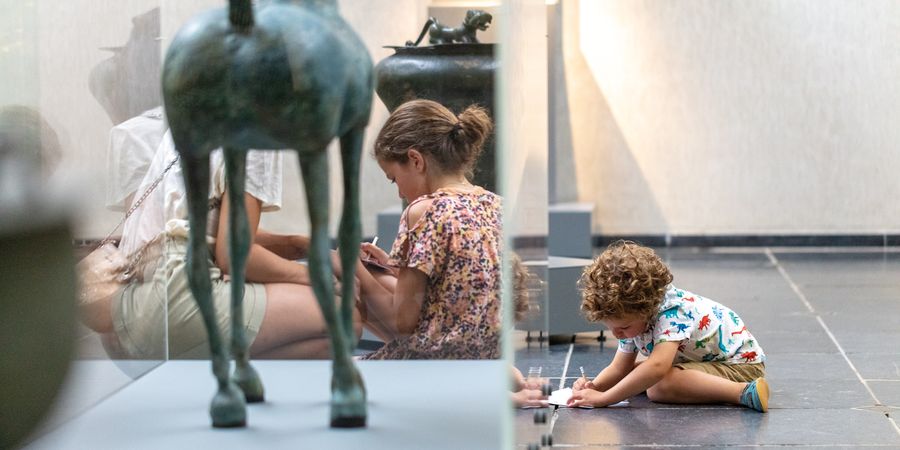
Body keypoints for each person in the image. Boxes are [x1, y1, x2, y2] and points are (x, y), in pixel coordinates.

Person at [111, 130, 359, 359]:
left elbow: (202, 229)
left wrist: (299, 246)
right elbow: (232, 256)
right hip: (181, 293)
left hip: (134, 309)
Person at [353, 99, 502, 359]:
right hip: (485, 358)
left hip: (437, 361)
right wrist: (392, 265)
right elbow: (456, 286)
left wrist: (350, 267)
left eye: (394, 179)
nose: (399, 191)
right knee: (377, 276)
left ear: (415, 160)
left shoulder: (423, 211)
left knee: (352, 279)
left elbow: (403, 323)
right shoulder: (496, 204)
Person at [569, 241, 769, 412]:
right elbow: (619, 368)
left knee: (659, 386)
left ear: (646, 310)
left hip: (740, 366)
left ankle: (744, 392)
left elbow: (657, 367)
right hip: (706, 360)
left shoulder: (673, 311)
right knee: (637, 376)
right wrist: (594, 387)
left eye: (623, 328)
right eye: (611, 328)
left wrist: (604, 399)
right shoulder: (630, 314)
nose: (616, 334)